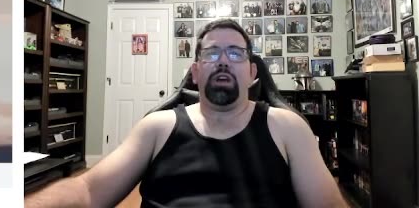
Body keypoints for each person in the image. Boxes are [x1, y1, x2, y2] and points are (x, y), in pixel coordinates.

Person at [25, 19, 343, 208]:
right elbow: (87, 190)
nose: (222, 60)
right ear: (195, 72)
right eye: (211, 53)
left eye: (235, 53)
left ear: (251, 73)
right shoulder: (157, 128)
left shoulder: (287, 128)